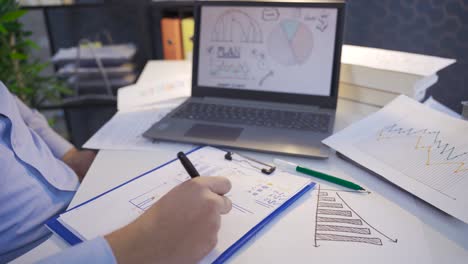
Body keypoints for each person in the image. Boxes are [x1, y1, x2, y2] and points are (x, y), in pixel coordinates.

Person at [0, 81, 232, 263]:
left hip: (83, 199)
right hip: (37, 249)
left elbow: (18, 111)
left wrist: (69, 156)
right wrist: (138, 246)